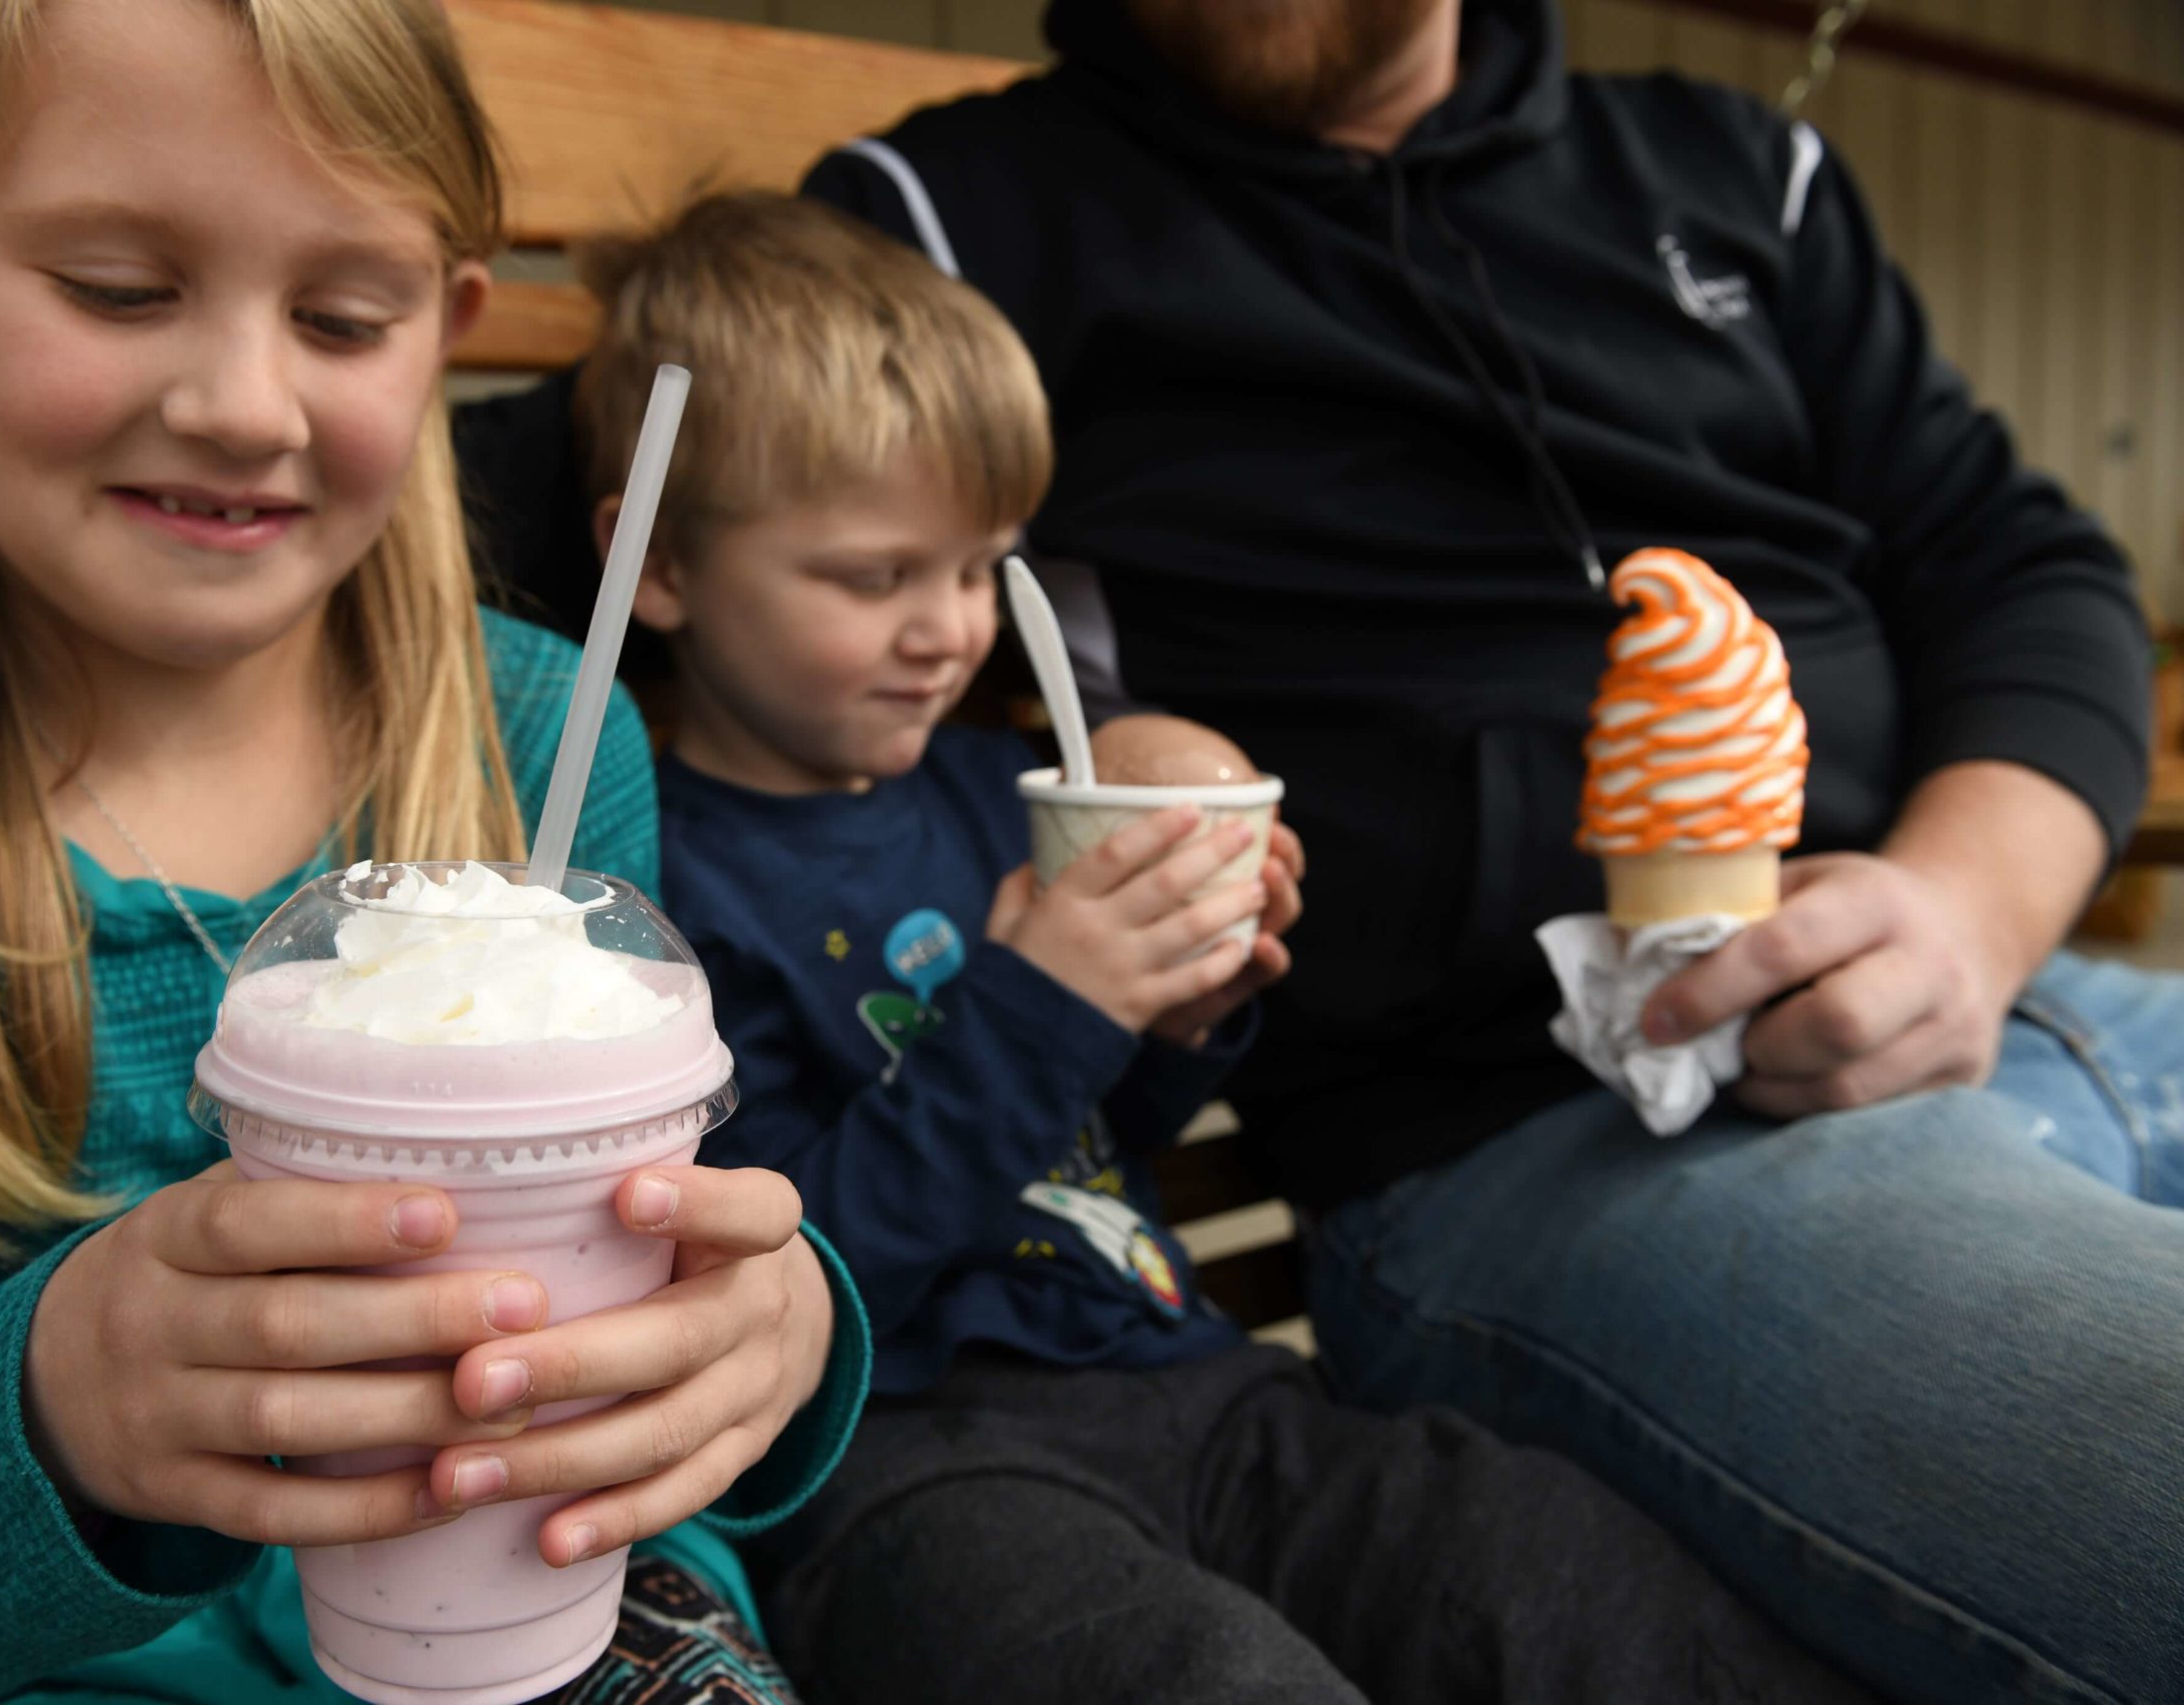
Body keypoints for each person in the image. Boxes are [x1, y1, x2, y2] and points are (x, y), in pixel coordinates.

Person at [792, 2, 2184, 1700]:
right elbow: (697, 531)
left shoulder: (1751, 174)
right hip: (1538, 1140)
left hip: (2060, 995)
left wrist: (1972, 905)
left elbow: (2023, 565)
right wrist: (1084, 732)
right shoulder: (956, 218)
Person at [0, 3, 873, 1700]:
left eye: (343, 317)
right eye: (121, 290)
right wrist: (58, 1409)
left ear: (444, 330)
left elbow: (663, 1268)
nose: (241, 403)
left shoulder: (542, 738)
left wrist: (775, 1337)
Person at [575, 189, 1873, 1705]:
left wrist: (1182, 1017)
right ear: (657, 566)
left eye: (981, 567)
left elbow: (1095, 1144)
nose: (948, 629)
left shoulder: (1009, 797)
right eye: (873, 578)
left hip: (1197, 1383)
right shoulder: (644, 887)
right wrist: (1046, 1004)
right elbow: (782, 1284)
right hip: (903, 1469)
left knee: (1560, 1580)